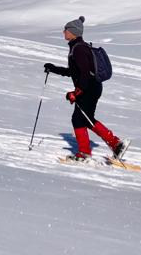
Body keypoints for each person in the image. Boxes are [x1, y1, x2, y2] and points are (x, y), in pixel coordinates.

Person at [44, 16, 127, 160]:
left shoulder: (79, 49)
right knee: (85, 119)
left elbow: (84, 73)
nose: (64, 32)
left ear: (73, 32)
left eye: (66, 30)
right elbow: (73, 71)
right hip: (90, 88)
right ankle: (114, 144)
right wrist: (54, 68)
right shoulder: (77, 47)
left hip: (89, 88)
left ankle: (87, 152)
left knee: (79, 119)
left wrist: (76, 93)